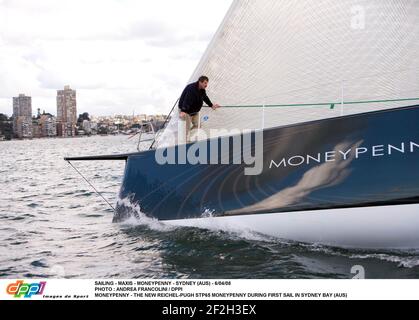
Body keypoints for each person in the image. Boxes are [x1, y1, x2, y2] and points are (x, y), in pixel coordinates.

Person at [178, 76, 220, 143]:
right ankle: (185, 142)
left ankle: (187, 137)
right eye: (205, 83)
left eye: (207, 83)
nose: (206, 85)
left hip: (195, 111)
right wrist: (183, 111)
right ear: (200, 82)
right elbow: (187, 100)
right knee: (187, 129)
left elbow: (205, 98)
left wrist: (211, 105)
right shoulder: (191, 88)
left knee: (198, 126)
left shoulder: (202, 90)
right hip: (186, 111)